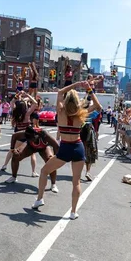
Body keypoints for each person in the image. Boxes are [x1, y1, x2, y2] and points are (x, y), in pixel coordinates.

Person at [32, 80, 90, 220]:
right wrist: (89, 90)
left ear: (66, 100)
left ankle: (40, 198)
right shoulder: (81, 114)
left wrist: (76, 85)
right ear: (77, 102)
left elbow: (59, 92)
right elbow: (95, 104)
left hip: (65, 148)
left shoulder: (60, 111)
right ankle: (73, 212)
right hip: (77, 147)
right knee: (76, 181)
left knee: (44, 171)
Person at [5, 126, 59, 192]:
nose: (31, 140)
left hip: (43, 147)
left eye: (32, 138)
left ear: (36, 135)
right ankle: (13, 177)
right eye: (29, 138)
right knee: (16, 156)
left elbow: (56, 145)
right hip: (30, 147)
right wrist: (12, 149)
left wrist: (56, 158)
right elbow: (14, 136)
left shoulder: (44, 134)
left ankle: (53, 184)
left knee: (51, 161)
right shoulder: (26, 134)